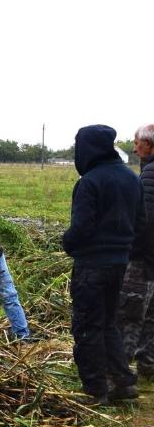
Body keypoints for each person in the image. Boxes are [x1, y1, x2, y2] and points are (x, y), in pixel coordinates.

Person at [62, 124, 144, 404]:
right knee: (109, 323)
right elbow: (140, 223)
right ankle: (123, 382)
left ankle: (96, 391)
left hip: (91, 266)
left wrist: (67, 243)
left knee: (87, 326)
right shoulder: (132, 178)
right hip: (119, 264)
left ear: (87, 148)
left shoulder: (90, 182)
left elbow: (81, 228)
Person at [118, 123, 154, 379]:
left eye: (137, 142)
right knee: (151, 316)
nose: (134, 147)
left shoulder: (150, 174)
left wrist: (131, 252)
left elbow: (145, 221)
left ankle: (119, 375)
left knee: (130, 313)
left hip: (144, 259)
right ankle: (148, 367)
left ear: (149, 145)